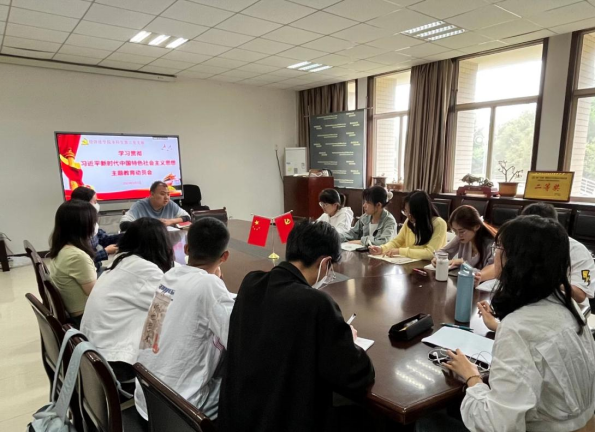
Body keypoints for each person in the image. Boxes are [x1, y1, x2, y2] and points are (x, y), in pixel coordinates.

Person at [219, 221, 375, 432]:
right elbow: (357, 375)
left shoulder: (251, 283)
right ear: (325, 262)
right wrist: (349, 341)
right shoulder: (316, 303)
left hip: (240, 418)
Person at [444, 216, 595, 432]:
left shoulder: (517, 327)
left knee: (429, 420)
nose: (495, 254)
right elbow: (545, 344)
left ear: (515, 260)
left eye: (499, 248)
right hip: (586, 424)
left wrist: (472, 377)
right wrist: (498, 327)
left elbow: (496, 424)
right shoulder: (567, 304)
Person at [135, 218, 235, 422]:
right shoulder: (209, 286)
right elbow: (237, 339)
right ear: (224, 256)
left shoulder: (170, 275)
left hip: (146, 396)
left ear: (187, 249)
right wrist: (215, 283)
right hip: (180, 411)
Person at [80, 218, 174, 382]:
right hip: (116, 364)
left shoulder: (122, 261)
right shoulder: (145, 270)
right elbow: (174, 307)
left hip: (94, 355)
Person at [521, 202, 595, 304]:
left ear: (553, 225)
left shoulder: (578, 251)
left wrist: (547, 281)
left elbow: (580, 295)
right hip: (530, 302)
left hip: (567, 305)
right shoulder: (521, 244)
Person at [48, 200, 98, 328]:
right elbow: (96, 293)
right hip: (85, 318)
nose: (95, 226)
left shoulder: (63, 249)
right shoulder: (77, 256)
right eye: (93, 222)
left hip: (77, 313)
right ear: (83, 226)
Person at [370, 190, 447, 261]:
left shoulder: (439, 223)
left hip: (427, 266)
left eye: (410, 213)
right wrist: (382, 249)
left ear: (420, 212)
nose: (407, 216)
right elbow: (397, 241)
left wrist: (400, 251)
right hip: (409, 263)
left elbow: (430, 253)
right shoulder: (409, 221)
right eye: (405, 211)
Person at [432, 205, 497, 282]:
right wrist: (438, 258)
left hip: (481, 285)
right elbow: (444, 252)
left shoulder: (491, 244)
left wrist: (463, 263)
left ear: (476, 227)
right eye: (455, 231)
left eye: (462, 231)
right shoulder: (461, 237)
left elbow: (491, 270)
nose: (458, 235)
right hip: (465, 281)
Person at [71, 186, 121, 275]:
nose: (97, 205)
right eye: (95, 202)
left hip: (95, 267)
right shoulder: (75, 230)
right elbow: (82, 261)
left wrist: (126, 235)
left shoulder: (92, 225)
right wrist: (106, 252)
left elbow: (104, 239)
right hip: (86, 273)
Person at [120, 181, 190, 230]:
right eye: (162, 194)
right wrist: (149, 225)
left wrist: (171, 221)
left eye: (168, 194)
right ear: (152, 194)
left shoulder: (170, 204)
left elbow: (187, 217)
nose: (166, 197)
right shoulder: (140, 205)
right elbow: (124, 224)